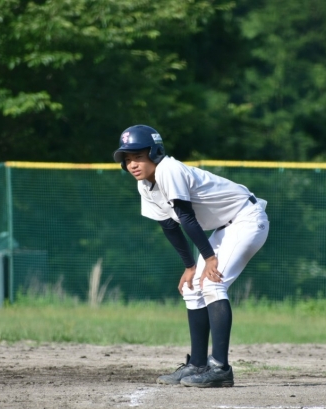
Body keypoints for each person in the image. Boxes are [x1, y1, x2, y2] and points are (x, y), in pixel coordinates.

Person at [113, 124, 269, 388]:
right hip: (225, 227)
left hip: (247, 218)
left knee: (212, 284)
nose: (132, 164)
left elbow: (186, 216)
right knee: (193, 287)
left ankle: (220, 368)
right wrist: (189, 266)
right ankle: (197, 364)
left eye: (138, 156)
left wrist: (209, 259)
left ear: (155, 152)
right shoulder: (145, 185)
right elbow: (169, 225)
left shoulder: (168, 169)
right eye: (127, 159)